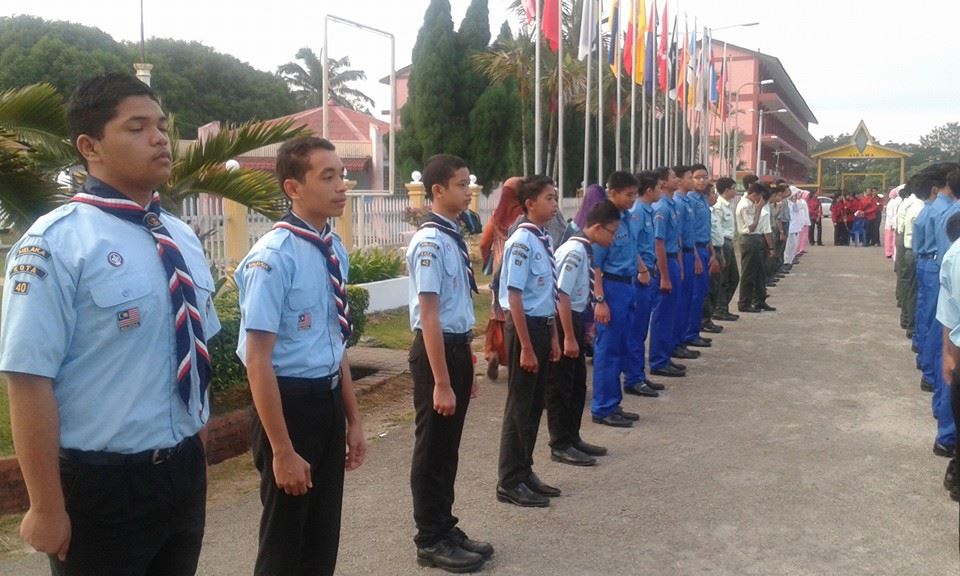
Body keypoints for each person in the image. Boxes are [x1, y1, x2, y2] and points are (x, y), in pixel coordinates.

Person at [0, 73, 219, 575]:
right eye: (137, 127)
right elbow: (29, 380)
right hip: (102, 488)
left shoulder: (182, 237)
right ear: (89, 146)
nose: (159, 138)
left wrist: (195, 448)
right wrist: (46, 505)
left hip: (182, 473)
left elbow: (197, 353)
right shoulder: (56, 244)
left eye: (160, 126)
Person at [236, 136, 367, 576]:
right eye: (327, 176)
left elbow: (337, 343)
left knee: (322, 534)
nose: (341, 186)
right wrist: (281, 450)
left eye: (342, 175)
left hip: (326, 400)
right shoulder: (272, 258)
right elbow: (257, 361)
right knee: (284, 541)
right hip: (287, 406)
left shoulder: (334, 249)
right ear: (293, 188)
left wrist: (353, 420)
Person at [406, 154, 492, 573]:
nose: (467, 191)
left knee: (448, 448)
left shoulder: (451, 234)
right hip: (435, 351)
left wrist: (465, 365)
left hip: (454, 348)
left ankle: (446, 524)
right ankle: (430, 538)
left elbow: (458, 309)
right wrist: (441, 380)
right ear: (438, 190)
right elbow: (429, 315)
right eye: (461, 185)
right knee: (433, 449)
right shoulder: (429, 242)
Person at [495, 175, 562, 508]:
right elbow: (515, 296)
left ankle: (525, 471)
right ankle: (509, 479)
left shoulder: (543, 238)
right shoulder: (521, 240)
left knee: (534, 407)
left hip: (541, 326)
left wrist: (551, 336)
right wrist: (526, 346)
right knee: (519, 408)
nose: (555, 204)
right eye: (549, 198)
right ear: (530, 203)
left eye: (556, 198)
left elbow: (546, 293)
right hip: (524, 329)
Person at [547, 199, 622, 467]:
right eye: (612, 232)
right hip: (564, 320)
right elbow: (562, 295)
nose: (613, 239)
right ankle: (560, 443)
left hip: (576, 320)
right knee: (562, 386)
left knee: (577, 384)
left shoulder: (585, 249)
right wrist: (568, 335)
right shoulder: (575, 251)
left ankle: (572, 436)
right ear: (598, 227)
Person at [590, 171, 646, 427]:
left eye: (635, 194)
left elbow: (632, 250)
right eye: (628, 194)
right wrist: (600, 299)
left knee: (622, 346)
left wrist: (642, 269)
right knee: (608, 350)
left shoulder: (627, 219)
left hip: (628, 286)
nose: (632, 199)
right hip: (611, 287)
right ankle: (602, 407)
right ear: (612, 192)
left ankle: (614, 402)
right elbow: (596, 264)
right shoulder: (606, 220)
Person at [912, 164, 957, 456]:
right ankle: (949, 430)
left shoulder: (937, 209)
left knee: (935, 330)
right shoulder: (949, 212)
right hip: (942, 269)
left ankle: (932, 380)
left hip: (934, 266)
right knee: (948, 343)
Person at [624, 171, 666, 395]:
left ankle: (639, 374)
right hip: (640, 275)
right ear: (649, 190)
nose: (661, 190)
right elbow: (632, 244)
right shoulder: (638, 211)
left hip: (648, 271)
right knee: (636, 329)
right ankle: (633, 378)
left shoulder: (648, 211)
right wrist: (642, 269)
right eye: (659, 186)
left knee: (640, 331)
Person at [479, 177, 524, 381]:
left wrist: (489, 261)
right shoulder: (525, 214)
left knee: (497, 315)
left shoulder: (497, 217)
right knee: (517, 314)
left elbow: (484, 243)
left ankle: (493, 352)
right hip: (519, 269)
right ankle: (517, 357)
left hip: (500, 272)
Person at [649, 167, 687, 377]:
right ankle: (658, 360)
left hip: (673, 259)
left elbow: (676, 239)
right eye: (673, 177)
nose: (677, 179)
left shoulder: (671, 205)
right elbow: (659, 243)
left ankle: (666, 355)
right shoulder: (662, 208)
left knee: (671, 312)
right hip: (664, 262)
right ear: (663, 183)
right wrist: (664, 275)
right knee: (663, 314)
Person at [683, 164, 719, 345]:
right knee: (694, 295)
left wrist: (712, 252)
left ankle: (695, 332)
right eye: (697, 177)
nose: (702, 180)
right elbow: (688, 232)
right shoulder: (689, 200)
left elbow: (707, 229)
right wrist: (696, 255)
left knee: (701, 293)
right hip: (694, 250)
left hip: (705, 248)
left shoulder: (703, 200)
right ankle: (689, 334)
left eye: (705, 177)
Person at [736, 182, 772, 313]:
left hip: (756, 239)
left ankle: (759, 300)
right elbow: (751, 227)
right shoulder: (745, 206)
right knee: (749, 272)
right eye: (760, 197)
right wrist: (758, 210)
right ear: (754, 195)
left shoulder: (751, 204)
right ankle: (744, 302)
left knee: (759, 272)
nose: (761, 201)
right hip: (749, 239)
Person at [711, 177, 740, 322]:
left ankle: (722, 307)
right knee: (724, 279)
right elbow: (716, 229)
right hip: (722, 244)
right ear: (727, 190)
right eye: (733, 188)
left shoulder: (728, 205)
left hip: (728, 242)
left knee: (733, 277)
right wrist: (720, 249)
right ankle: (720, 309)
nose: (735, 191)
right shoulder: (718, 206)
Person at [884, 186, 903, 259]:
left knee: (889, 238)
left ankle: (888, 252)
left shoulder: (891, 201)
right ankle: (891, 252)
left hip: (890, 223)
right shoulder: (898, 200)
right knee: (893, 239)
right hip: (893, 222)